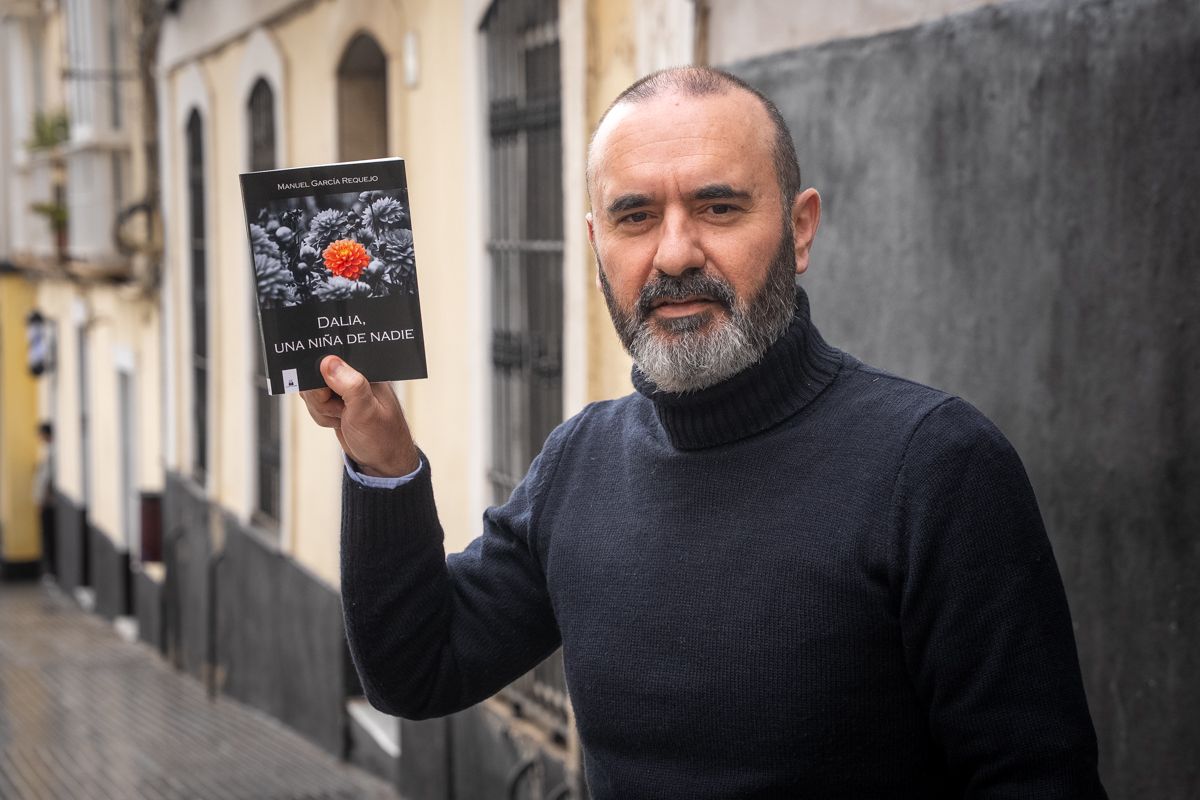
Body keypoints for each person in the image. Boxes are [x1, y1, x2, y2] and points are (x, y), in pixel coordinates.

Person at [304, 66, 1107, 798]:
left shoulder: (937, 467)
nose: (676, 252)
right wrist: (382, 463)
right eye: (635, 216)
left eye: (719, 207)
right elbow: (416, 671)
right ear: (596, 247)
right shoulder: (580, 462)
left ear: (800, 229)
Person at [33, 421, 56, 578]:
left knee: (48, 536)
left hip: (47, 502)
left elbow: (46, 479)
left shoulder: (51, 453)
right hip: (43, 500)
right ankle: (49, 568)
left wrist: (43, 499)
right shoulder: (46, 451)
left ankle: (51, 570)